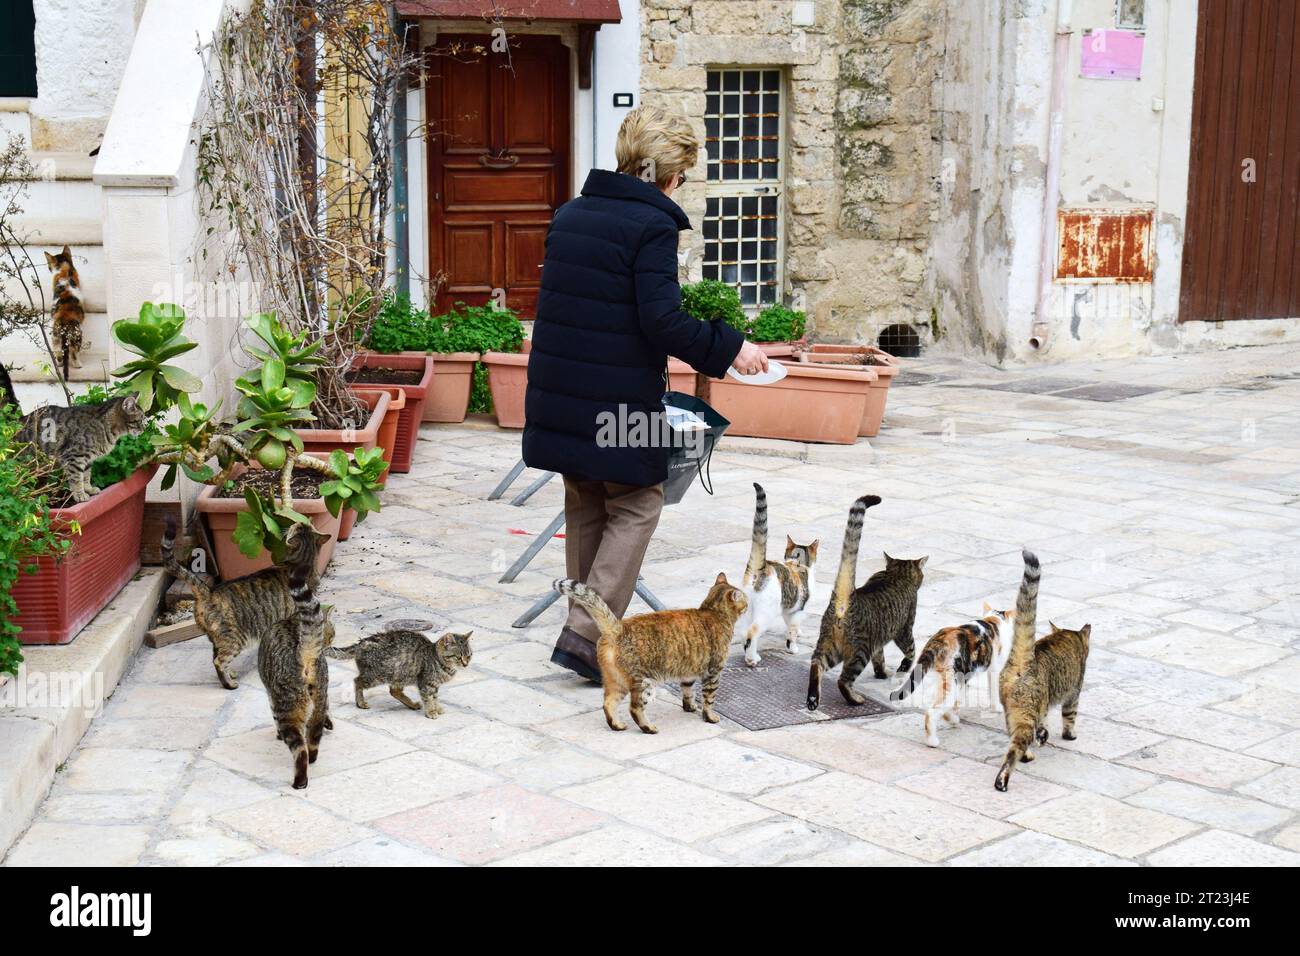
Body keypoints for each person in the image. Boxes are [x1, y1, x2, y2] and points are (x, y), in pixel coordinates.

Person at [523, 105, 770, 681]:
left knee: (586, 499)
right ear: (670, 173)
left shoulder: (571, 214)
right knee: (638, 500)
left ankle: (580, 632)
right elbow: (662, 320)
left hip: (560, 392)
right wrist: (732, 349)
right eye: (683, 170)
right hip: (618, 399)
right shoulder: (653, 225)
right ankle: (588, 638)